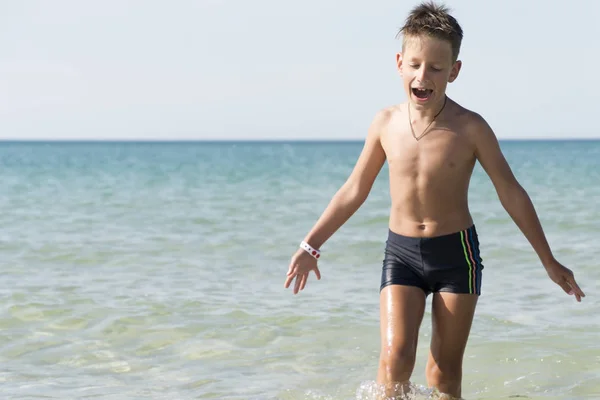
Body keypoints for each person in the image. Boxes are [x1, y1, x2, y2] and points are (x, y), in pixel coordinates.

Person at [283, 1, 586, 398]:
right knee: (394, 359)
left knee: (443, 374)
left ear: (454, 72)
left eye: (435, 68)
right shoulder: (385, 123)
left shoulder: (471, 128)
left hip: (456, 256)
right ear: (399, 63)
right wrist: (311, 244)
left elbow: (510, 192)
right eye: (414, 64)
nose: (422, 75)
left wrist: (548, 260)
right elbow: (354, 189)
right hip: (402, 252)